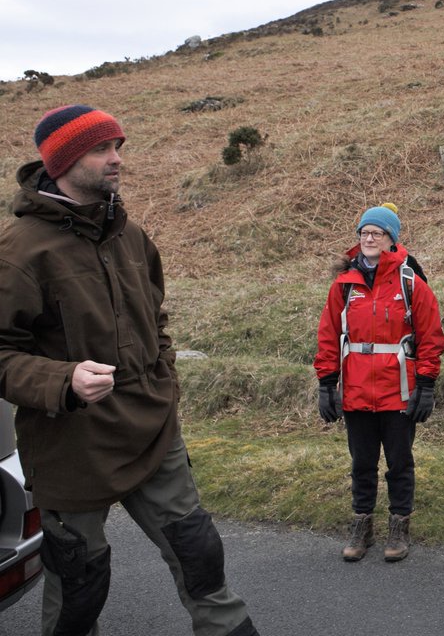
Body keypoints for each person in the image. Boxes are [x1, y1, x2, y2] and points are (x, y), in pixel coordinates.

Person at [0, 105, 258, 636]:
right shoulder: (19, 251)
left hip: (152, 425)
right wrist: (61, 380)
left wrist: (164, 377)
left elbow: (155, 317)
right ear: (63, 160)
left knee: (200, 559)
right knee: (79, 588)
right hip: (69, 443)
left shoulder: (130, 234)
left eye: (118, 146)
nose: (117, 159)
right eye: (101, 149)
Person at [313, 203, 444, 562]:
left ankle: (399, 527)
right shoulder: (344, 285)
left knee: (400, 462)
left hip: (399, 390)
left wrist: (427, 384)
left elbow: (431, 336)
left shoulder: (410, 283)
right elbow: (329, 336)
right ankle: (361, 526)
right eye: (364, 233)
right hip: (355, 390)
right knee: (362, 462)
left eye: (377, 233)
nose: (369, 239)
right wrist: (327, 384)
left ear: (391, 240)